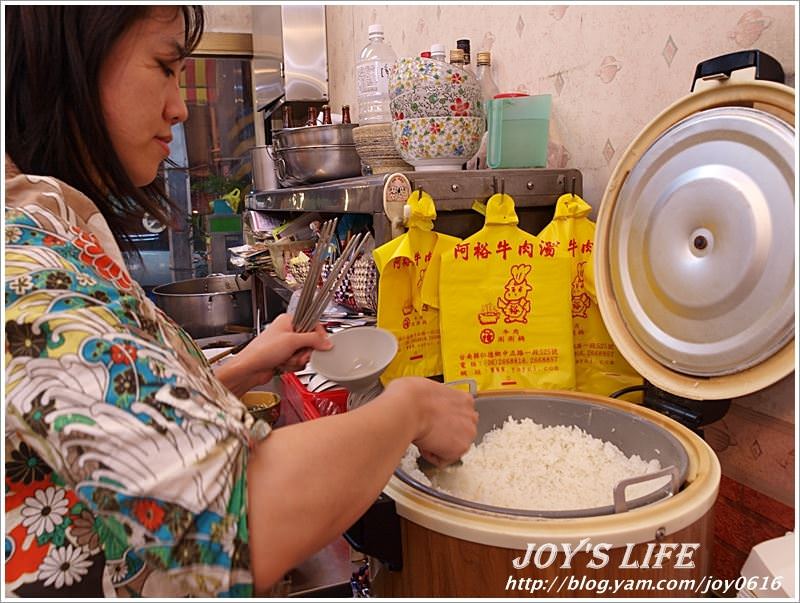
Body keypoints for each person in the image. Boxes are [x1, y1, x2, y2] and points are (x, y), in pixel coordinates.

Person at [4, 6, 477, 597]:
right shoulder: (25, 259)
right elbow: (236, 516)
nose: (179, 108)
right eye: (165, 65)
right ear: (68, 65)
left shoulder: (51, 226)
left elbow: (115, 432)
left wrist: (243, 365)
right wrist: (411, 410)